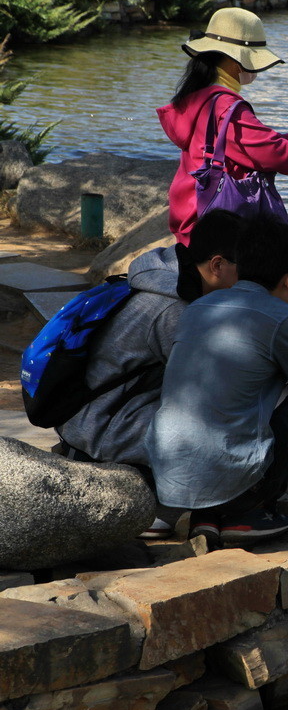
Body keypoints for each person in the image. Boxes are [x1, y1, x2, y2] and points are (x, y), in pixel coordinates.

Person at [147, 217, 288, 546]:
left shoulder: (198, 307)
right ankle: (250, 509)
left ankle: (207, 516)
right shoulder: (287, 318)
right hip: (230, 480)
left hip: (170, 478)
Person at [55, 210, 244, 539]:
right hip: (102, 426)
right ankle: (161, 509)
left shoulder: (165, 271)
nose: (250, 282)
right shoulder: (176, 310)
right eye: (247, 271)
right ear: (217, 265)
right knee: (226, 427)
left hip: (85, 412)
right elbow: (215, 389)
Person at [158, 7, 288, 244]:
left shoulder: (199, 97)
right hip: (216, 224)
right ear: (235, 61)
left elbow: (254, 146)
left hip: (194, 210)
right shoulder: (226, 108)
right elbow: (275, 154)